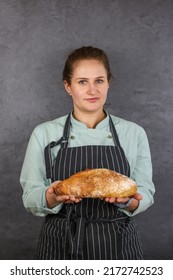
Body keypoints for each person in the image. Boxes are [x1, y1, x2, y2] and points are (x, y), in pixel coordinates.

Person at [20, 46, 155, 260]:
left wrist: (128, 201)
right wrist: (52, 196)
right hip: (61, 244)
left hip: (118, 246)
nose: (92, 91)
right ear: (68, 86)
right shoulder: (45, 133)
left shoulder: (133, 132)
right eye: (82, 82)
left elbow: (145, 190)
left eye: (99, 81)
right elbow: (30, 197)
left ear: (108, 83)